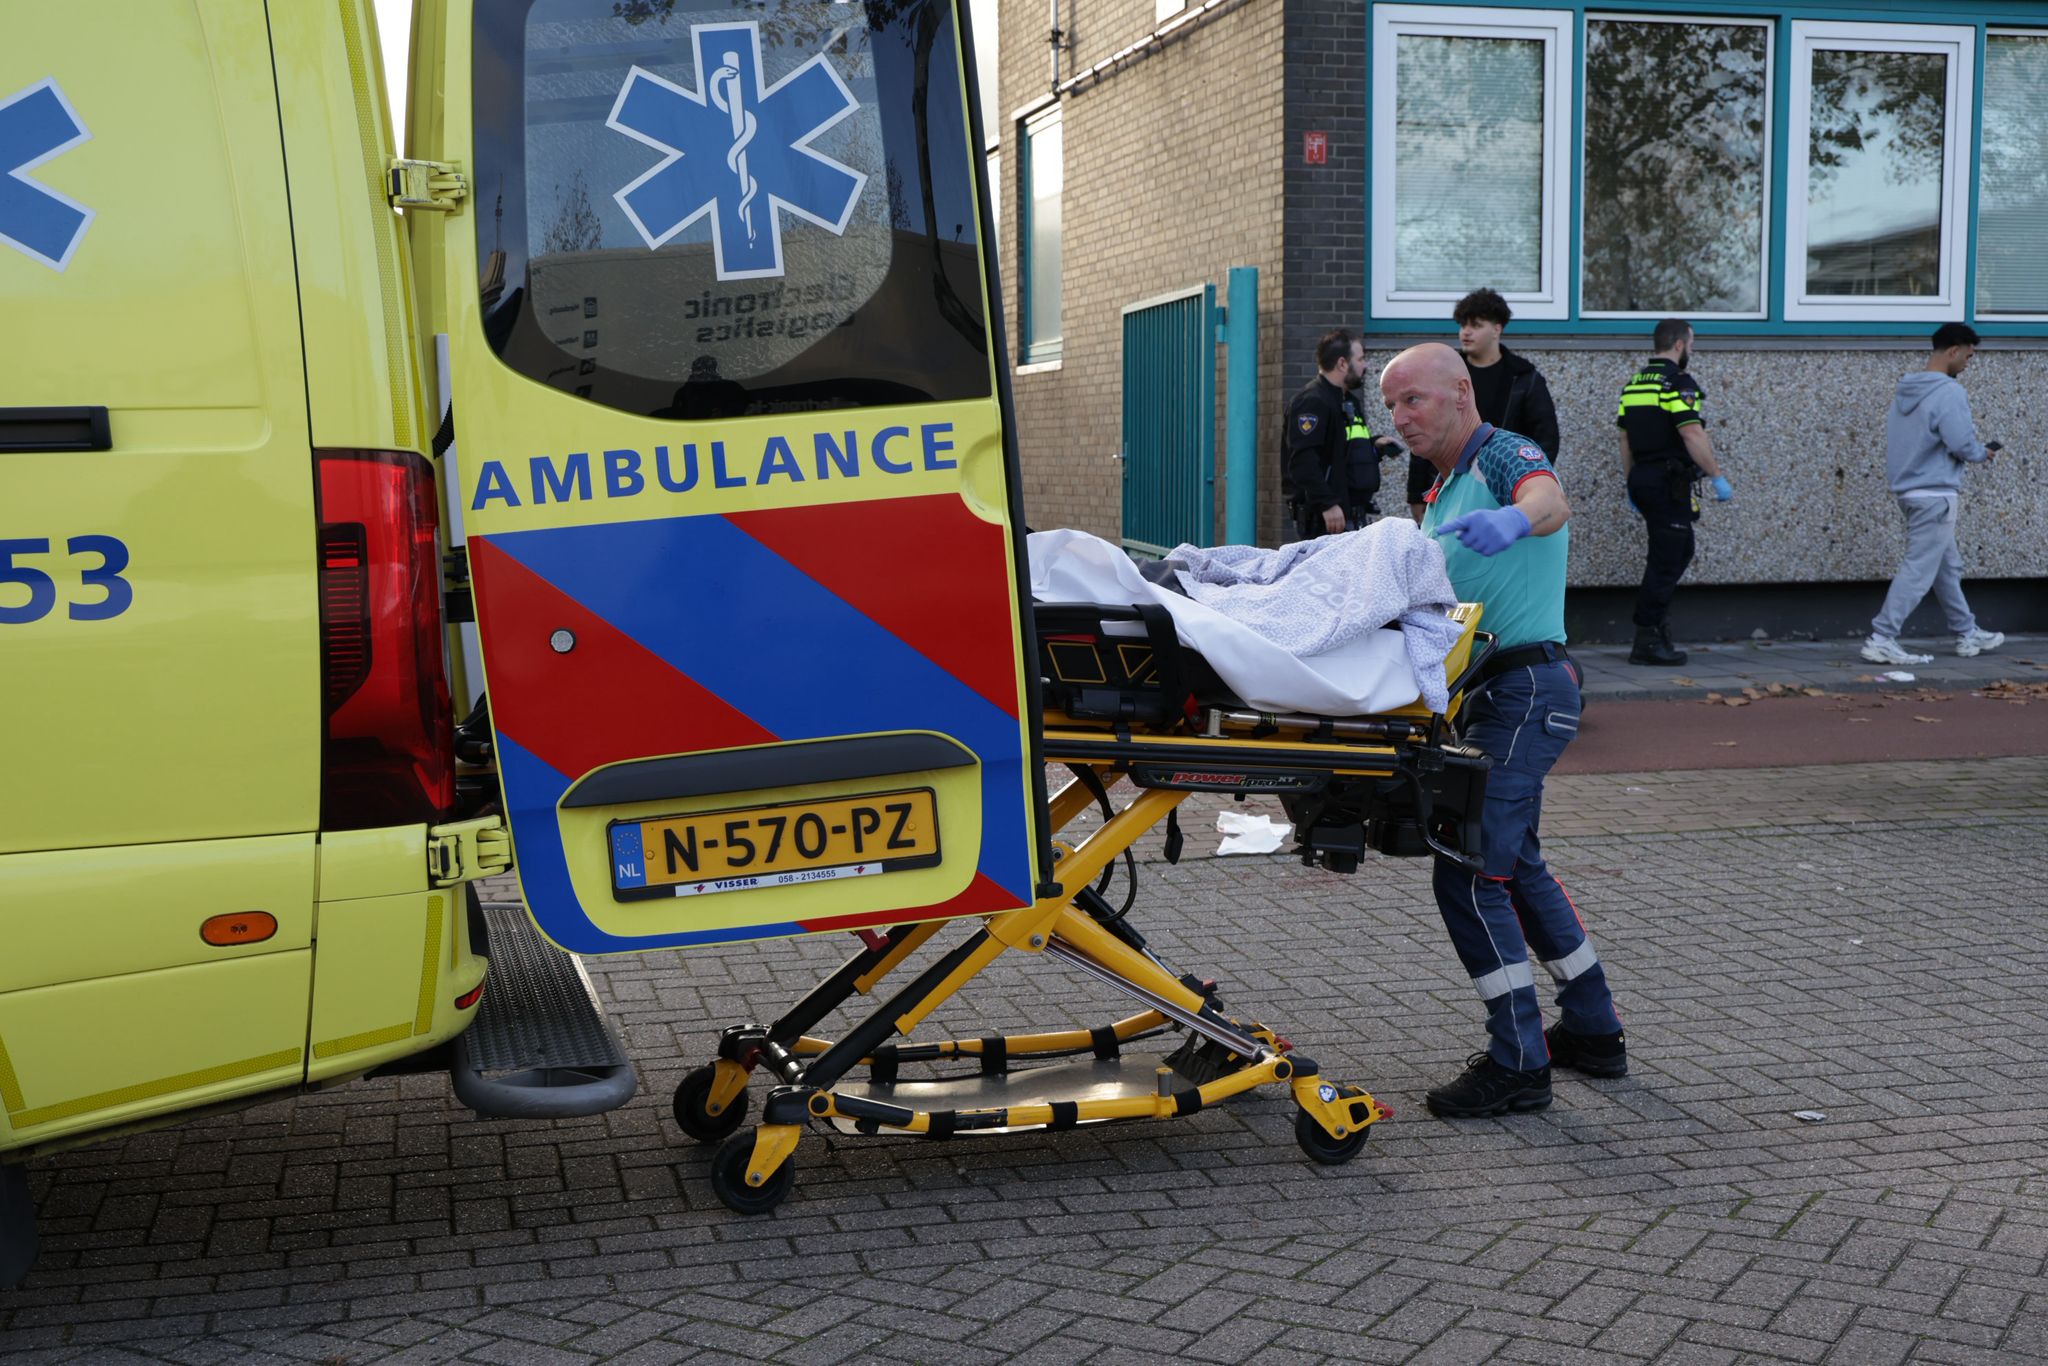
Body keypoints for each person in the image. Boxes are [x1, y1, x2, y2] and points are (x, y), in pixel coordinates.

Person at [1384, 342, 1625, 1119]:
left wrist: (1515, 520)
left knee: (1468, 870)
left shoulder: (1501, 453)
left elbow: (1551, 499)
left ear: (1460, 392)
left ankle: (1518, 1062)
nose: (1398, 417)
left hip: (1521, 690)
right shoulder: (1439, 486)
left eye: (1412, 400)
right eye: (1389, 405)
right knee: (1516, 865)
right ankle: (1592, 1032)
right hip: (1494, 694)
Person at [1863, 323, 2006, 665]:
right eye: (1969, 356)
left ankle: (1966, 631)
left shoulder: (1907, 390)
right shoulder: (1949, 391)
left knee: (1945, 567)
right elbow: (1959, 442)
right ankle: (1882, 636)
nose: (1969, 363)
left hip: (1911, 491)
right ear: (1954, 350)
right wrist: (1980, 452)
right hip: (1936, 495)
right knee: (1919, 569)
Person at [1616, 319, 1733, 667]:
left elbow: (1624, 439)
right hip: (1668, 482)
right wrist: (1716, 475)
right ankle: (1647, 638)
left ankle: (1656, 630)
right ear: (1680, 345)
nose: (1691, 351)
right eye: (1692, 345)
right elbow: (1691, 433)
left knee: (1678, 551)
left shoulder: (1634, 384)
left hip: (1645, 479)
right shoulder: (1678, 383)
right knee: (1667, 560)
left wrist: (1630, 482)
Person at [1405, 288, 1560, 522]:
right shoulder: (1443, 376)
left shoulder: (1524, 378)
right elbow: (1424, 431)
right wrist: (1417, 493)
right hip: (1448, 489)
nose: (1465, 332)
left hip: (1503, 492)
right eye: (1463, 325)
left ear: (1497, 329)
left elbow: (1546, 438)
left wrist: (1527, 484)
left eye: (1476, 325)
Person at [1284, 329, 1403, 538]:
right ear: (1342, 363)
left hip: (1351, 513)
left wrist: (1372, 445)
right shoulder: (1312, 402)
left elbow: (1339, 448)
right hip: (1327, 519)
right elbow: (1303, 461)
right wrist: (1327, 504)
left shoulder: (1347, 401)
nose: (1365, 365)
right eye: (1361, 359)